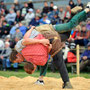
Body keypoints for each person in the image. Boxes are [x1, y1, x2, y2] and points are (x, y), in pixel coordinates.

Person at [10, 5, 90, 89]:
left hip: (45, 30)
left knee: (69, 26)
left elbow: (25, 40)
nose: (19, 62)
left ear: (17, 55)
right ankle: (74, 14)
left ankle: (86, 10)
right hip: (44, 36)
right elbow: (42, 59)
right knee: (67, 34)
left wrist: (37, 36)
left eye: (17, 61)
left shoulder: (19, 48)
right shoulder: (26, 56)